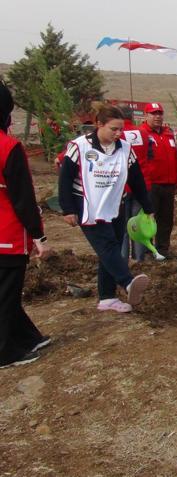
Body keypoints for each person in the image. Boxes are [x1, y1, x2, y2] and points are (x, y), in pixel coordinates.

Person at [58, 105, 153, 313]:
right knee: (108, 245)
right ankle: (127, 282)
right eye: (114, 129)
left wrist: (147, 207)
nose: (118, 134)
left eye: (120, 129)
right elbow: (65, 179)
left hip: (114, 205)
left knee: (109, 250)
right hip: (87, 205)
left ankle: (107, 297)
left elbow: (137, 179)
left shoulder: (125, 148)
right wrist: (67, 209)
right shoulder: (80, 146)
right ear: (99, 125)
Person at [0, 83, 52, 368]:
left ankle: (28, 336)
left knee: (5, 292)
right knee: (6, 293)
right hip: (6, 235)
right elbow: (22, 198)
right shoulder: (9, 147)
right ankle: (5, 352)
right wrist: (39, 236)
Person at [135, 102, 177, 259]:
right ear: (146, 115)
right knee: (148, 219)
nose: (157, 116)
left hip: (169, 184)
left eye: (160, 113)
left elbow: (175, 158)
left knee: (166, 220)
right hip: (151, 185)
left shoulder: (168, 134)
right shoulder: (141, 134)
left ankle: (163, 249)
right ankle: (147, 249)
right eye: (153, 113)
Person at [117, 106, 148, 262]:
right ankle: (139, 259)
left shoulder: (117, 134)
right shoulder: (143, 133)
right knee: (138, 225)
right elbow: (150, 156)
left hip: (122, 187)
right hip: (140, 185)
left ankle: (122, 260)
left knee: (122, 227)